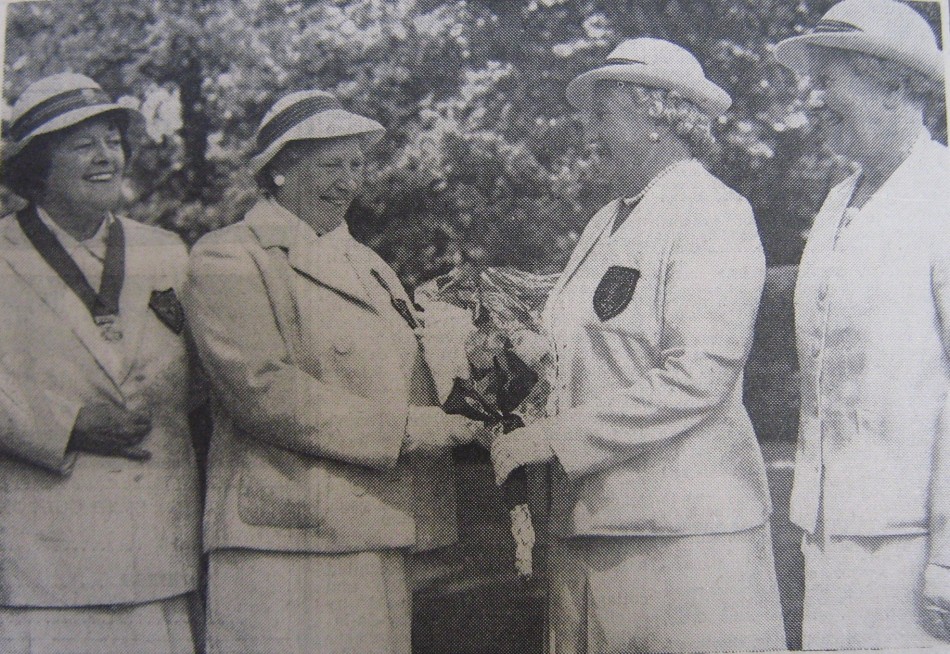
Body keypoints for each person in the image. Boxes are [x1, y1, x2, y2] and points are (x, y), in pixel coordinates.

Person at [490, 38, 786, 653]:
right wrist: (512, 351)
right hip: (590, 524)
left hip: (682, 536)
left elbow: (698, 375)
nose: (589, 132)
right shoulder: (606, 221)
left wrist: (553, 440)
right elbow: (583, 350)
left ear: (657, 115)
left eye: (603, 114)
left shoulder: (712, 211)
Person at [183, 90, 482, 654]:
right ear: (279, 173)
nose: (347, 182)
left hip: (375, 530)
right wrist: (413, 430)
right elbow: (264, 391)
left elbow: (409, 374)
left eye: (356, 165)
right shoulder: (229, 256)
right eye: (329, 166)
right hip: (284, 540)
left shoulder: (369, 265)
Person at [0, 73, 201, 653]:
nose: (105, 155)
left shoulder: (165, 251)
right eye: (82, 142)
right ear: (37, 165)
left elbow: (204, 377)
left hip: (156, 549)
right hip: (46, 561)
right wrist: (67, 425)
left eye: (112, 138)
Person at [775, 0, 950, 648]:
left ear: (892, 83)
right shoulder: (837, 201)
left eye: (827, 81)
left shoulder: (943, 195)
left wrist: (946, 558)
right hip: (828, 534)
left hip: (912, 544)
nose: (813, 101)